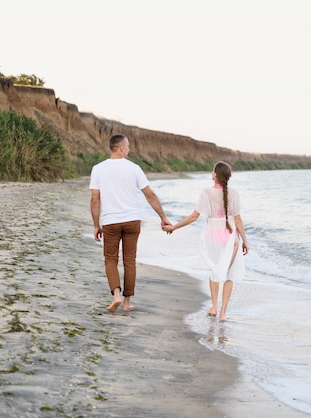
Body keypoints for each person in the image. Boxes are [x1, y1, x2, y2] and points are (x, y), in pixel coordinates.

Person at [90, 133, 171, 313]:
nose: (129, 149)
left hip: (110, 221)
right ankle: (127, 303)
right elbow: (150, 195)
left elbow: (95, 200)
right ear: (121, 148)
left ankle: (116, 295)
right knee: (130, 261)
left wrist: (96, 225)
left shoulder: (98, 169)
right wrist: (162, 217)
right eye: (128, 146)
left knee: (110, 259)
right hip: (132, 220)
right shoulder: (134, 168)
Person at [162, 161, 248, 321]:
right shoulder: (235, 193)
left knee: (215, 270)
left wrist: (174, 227)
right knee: (230, 275)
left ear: (215, 174)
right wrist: (245, 241)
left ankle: (214, 307)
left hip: (213, 235)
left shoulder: (206, 193)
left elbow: (193, 217)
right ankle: (223, 313)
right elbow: (238, 220)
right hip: (230, 236)